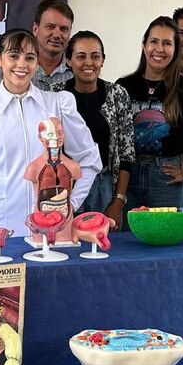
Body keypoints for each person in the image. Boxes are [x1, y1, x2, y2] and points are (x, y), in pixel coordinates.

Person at [0, 29, 102, 239]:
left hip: (51, 227)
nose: (22, 65)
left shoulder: (57, 104)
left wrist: (70, 203)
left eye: (30, 57)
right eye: (13, 56)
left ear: (37, 63)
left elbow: (90, 160)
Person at [52, 30, 134, 229]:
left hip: (103, 188)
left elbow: (127, 154)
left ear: (103, 60)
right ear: (69, 61)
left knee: (100, 247)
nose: (88, 62)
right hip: (63, 188)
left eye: (95, 56)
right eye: (81, 56)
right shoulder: (55, 94)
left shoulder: (117, 94)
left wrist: (118, 201)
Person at [115, 16, 183, 213]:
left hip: (167, 178)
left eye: (167, 43)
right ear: (144, 45)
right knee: (128, 240)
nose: (159, 49)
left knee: (167, 238)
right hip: (128, 176)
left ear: (175, 50)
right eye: (154, 41)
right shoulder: (123, 86)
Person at [31, 0, 74, 90]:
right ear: (35, 29)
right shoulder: (15, 68)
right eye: (50, 27)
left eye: (64, 29)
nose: (57, 35)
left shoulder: (77, 72)